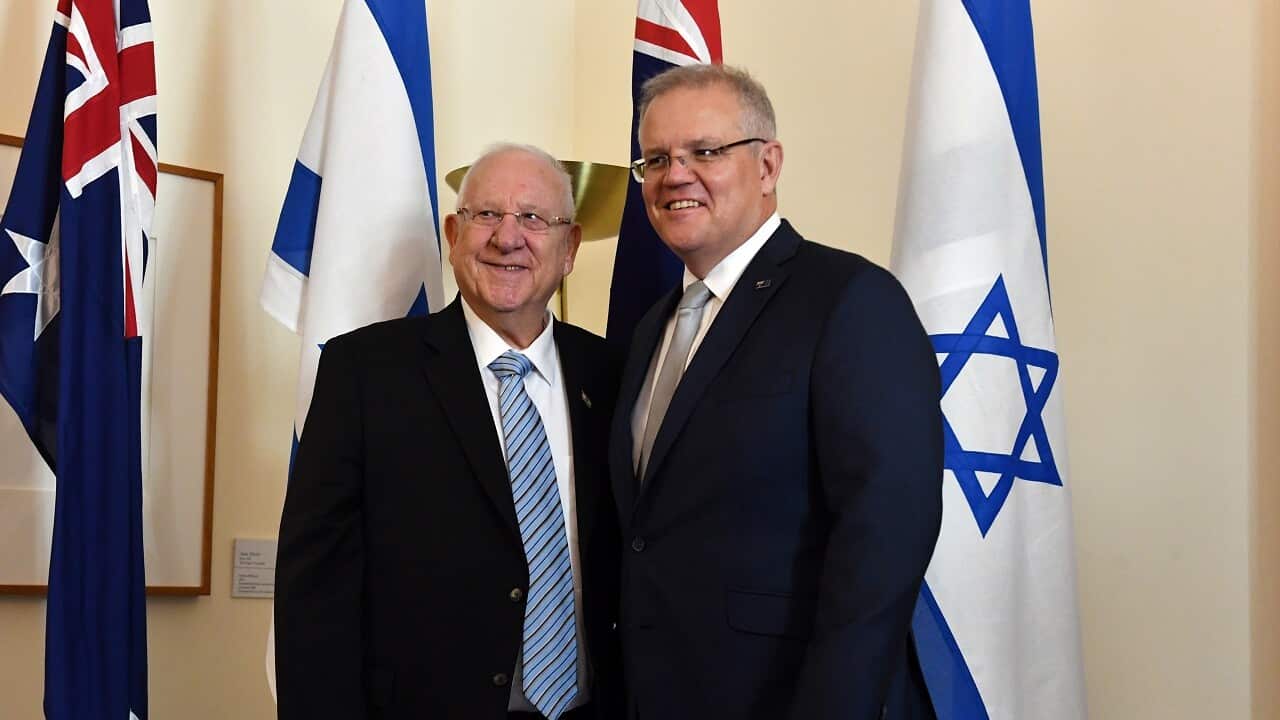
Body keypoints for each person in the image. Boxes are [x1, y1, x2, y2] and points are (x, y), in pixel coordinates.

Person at [609, 64, 943, 719]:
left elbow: (884, 539)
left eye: (705, 151)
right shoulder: (652, 329)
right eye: (655, 159)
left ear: (768, 166)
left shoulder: (849, 300)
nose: (675, 174)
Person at [276, 144, 623, 720]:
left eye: (535, 218)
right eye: (487, 215)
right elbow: (314, 592)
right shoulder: (365, 372)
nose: (508, 238)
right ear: (454, 234)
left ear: (570, 249)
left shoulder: (613, 376)